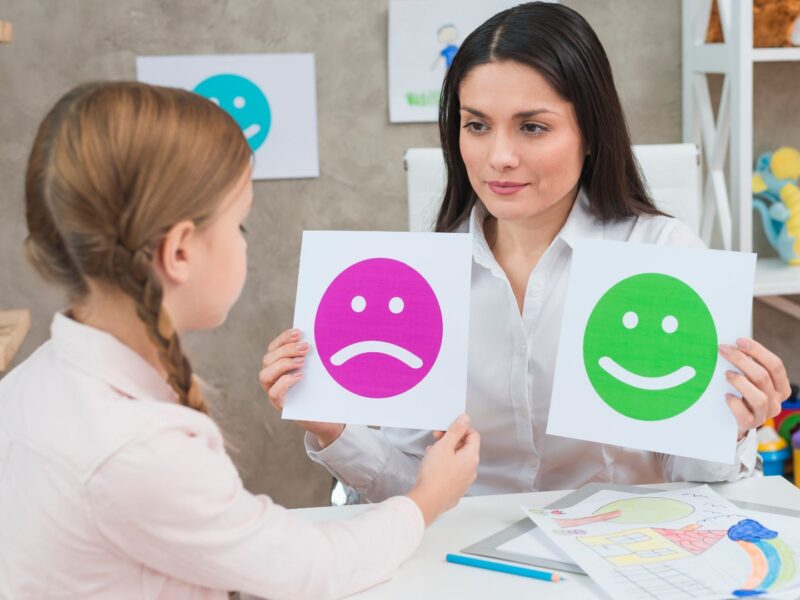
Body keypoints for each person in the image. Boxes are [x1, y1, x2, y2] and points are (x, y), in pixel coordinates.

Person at [262, 2, 790, 502]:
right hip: (466, 561)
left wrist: (730, 424)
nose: (500, 157)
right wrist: (334, 429)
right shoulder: (424, 280)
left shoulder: (661, 254)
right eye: (477, 125)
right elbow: (411, 491)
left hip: (622, 556)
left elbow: (694, 484)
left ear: (589, 133)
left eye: (533, 127)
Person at [0, 81, 479, 600]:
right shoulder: (137, 448)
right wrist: (428, 497)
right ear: (181, 252)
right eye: (239, 225)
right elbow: (305, 570)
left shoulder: (35, 381)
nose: (244, 243)